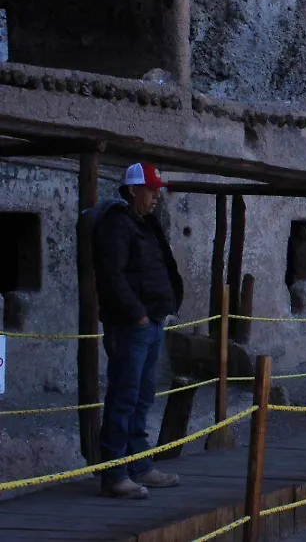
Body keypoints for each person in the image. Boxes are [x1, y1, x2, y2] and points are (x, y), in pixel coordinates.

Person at [88, 163, 183, 499]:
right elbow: (112, 276)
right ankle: (115, 473)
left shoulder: (144, 223)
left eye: (157, 190)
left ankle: (140, 465)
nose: (156, 196)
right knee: (124, 396)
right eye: (151, 190)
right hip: (132, 325)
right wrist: (138, 315)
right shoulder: (116, 225)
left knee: (142, 397)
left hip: (150, 321)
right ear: (133, 190)